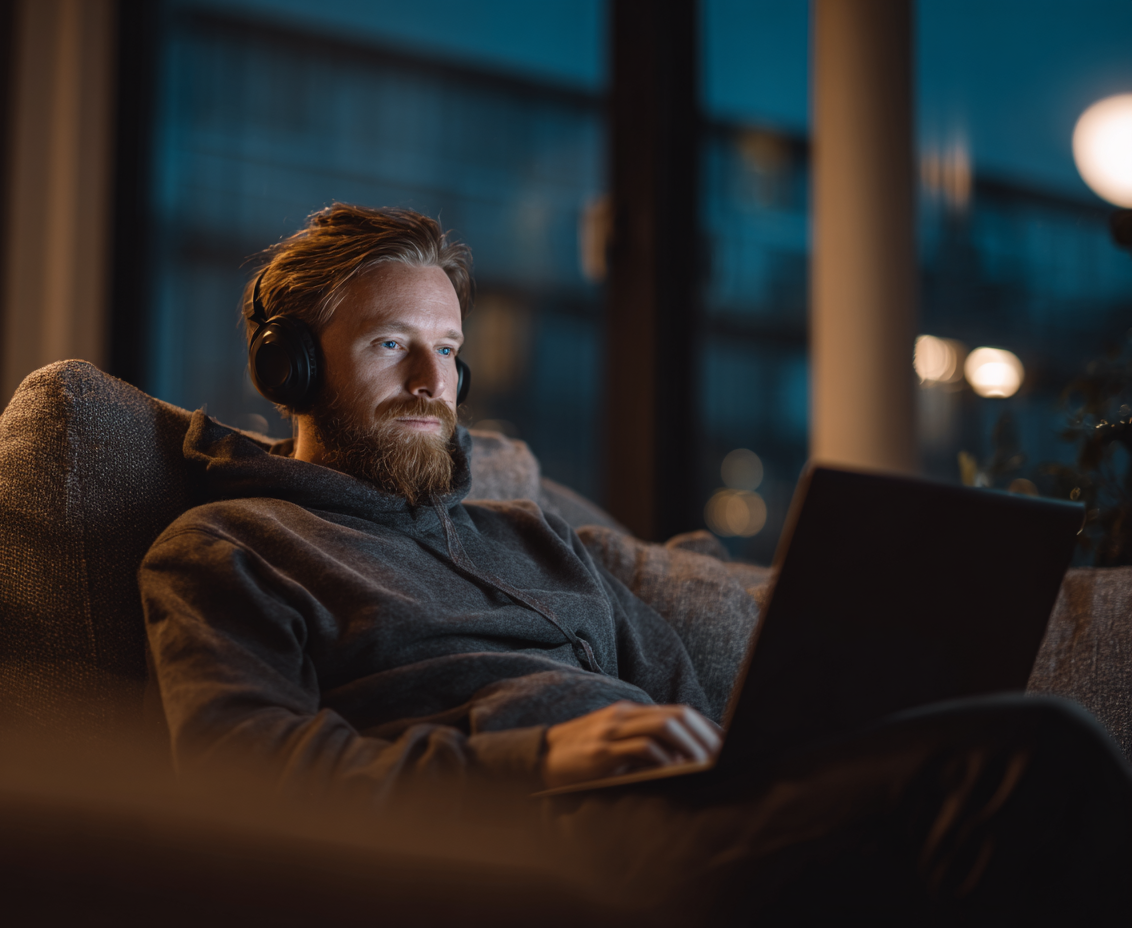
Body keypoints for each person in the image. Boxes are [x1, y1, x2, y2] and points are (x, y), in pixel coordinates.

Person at [141, 204, 1131, 923]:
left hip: (689, 817)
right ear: (291, 369)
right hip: (531, 846)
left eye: (446, 350)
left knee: (1010, 755)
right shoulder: (230, 548)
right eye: (390, 343)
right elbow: (248, 777)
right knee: (1021, 757)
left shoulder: (532, 539)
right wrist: (539, 759)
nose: (429, 382)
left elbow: (684, 701)